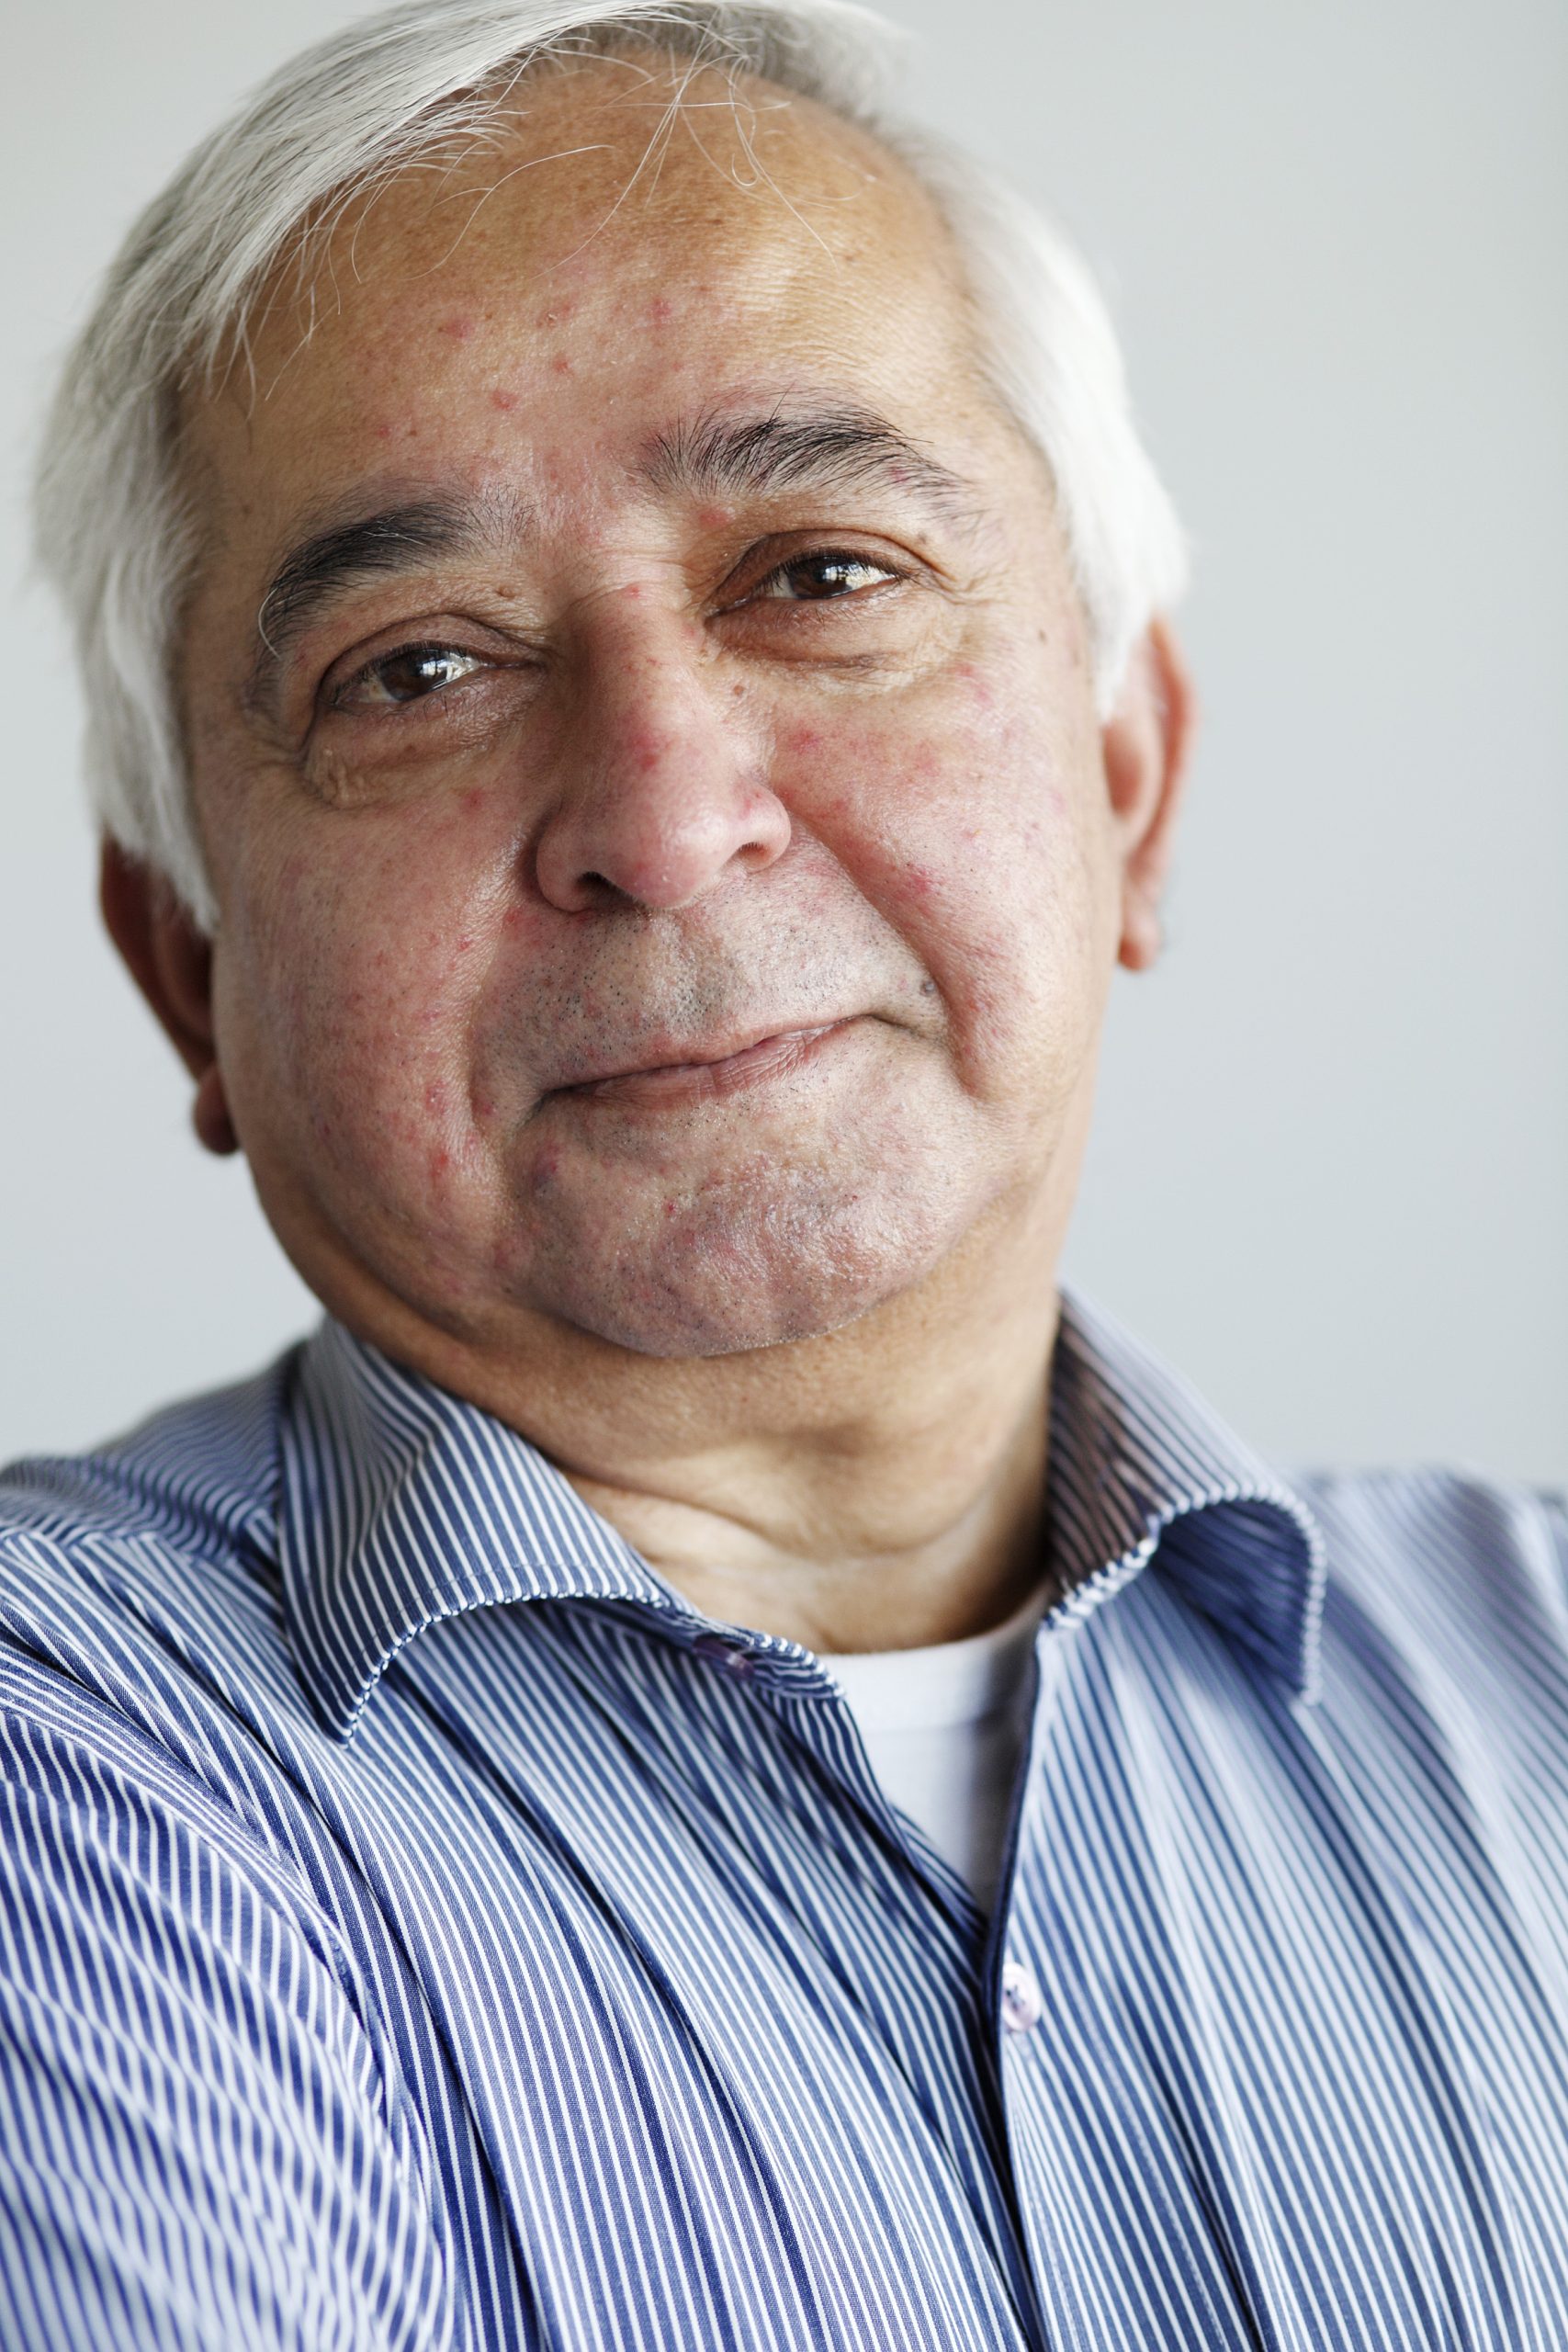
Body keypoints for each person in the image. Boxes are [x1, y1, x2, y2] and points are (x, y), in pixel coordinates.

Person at [5, 0, 1565, 2344]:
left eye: (822, 573)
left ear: (1125, 778)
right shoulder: (61, 1768)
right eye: (416, 669)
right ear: (188, 964)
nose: (662, 811)